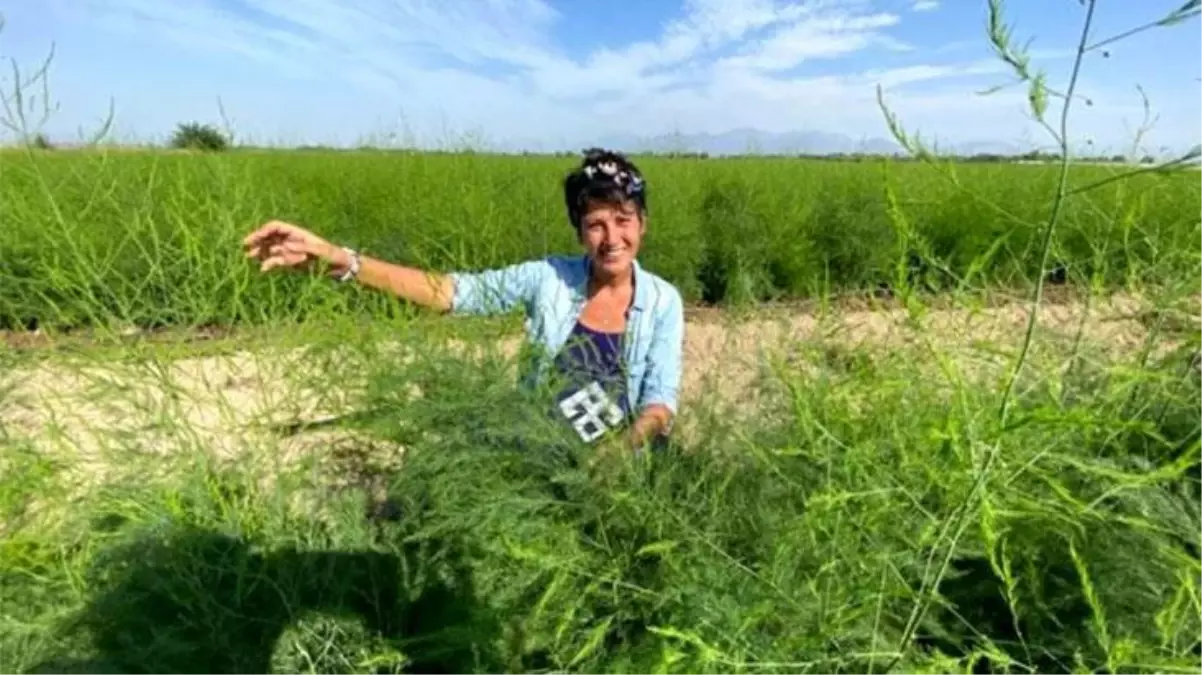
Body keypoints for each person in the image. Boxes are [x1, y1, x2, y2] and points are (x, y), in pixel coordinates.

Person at [242, 148, 684, 455]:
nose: (612, 239)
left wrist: (618, 456)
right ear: (578, 230)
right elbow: (451, 292)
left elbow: (659, 402)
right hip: (541, 458)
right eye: (596, 224)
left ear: (643, 223)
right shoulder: (547, 279)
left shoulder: (663, 302)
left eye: (623, 221)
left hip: (621, 471)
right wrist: (343, 261)